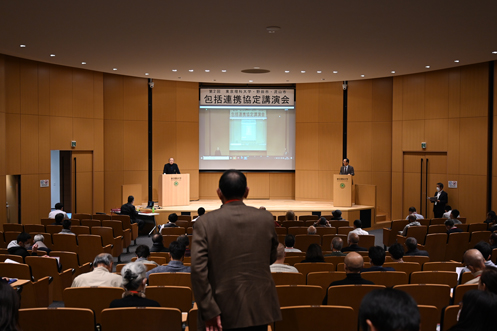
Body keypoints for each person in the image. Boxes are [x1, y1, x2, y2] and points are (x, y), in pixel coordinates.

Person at [191, 170, 281, 331]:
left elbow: (198, 270)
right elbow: (271, 256)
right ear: (247, 191)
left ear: (219, 193)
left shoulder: (204, 223)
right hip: (258, 308)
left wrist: (208, 309)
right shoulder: (266, 218)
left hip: (219, 310)